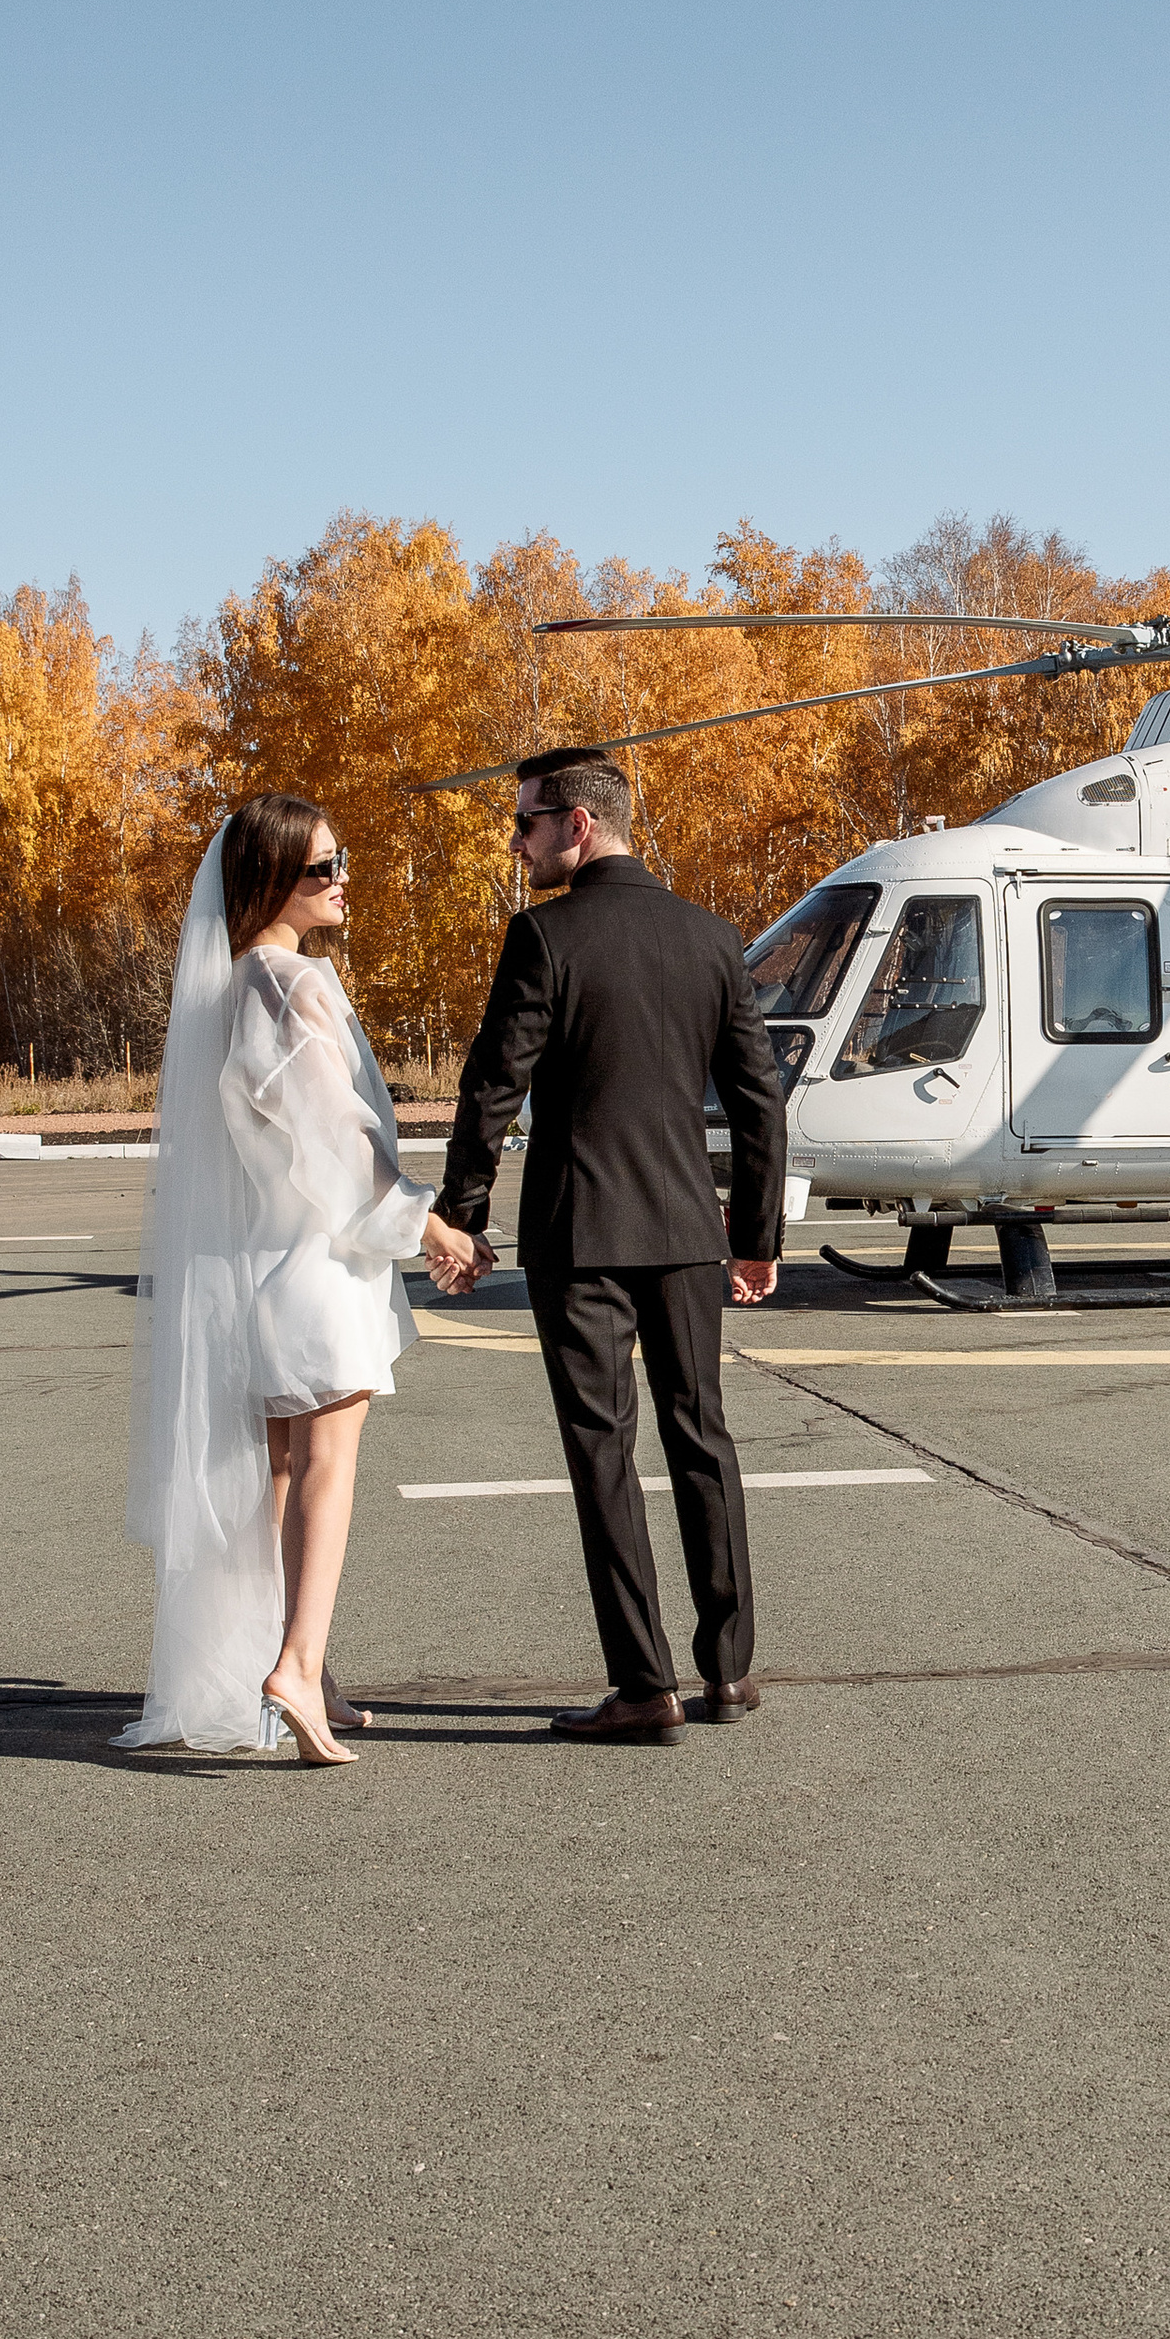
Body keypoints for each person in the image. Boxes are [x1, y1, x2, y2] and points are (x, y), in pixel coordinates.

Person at [427, 747, 790, 1744]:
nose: (517, 843)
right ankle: (727, 1670)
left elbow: (493, 1086)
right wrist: (754, 1234)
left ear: (576, 824)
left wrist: (463, 1211)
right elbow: (759, 1099)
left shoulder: (543, 938)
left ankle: (644, 1685)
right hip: (683, 1230)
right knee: (701, 1436)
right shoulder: (713, 940)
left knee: (604, 1453)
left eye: (526, 824)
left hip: (578, 1232)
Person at [121, 795, 480, 1766]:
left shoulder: (231, 988)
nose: (341, 881)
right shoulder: (289, 986)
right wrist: (432, 1224)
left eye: (340, 861)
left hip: (262, 1270)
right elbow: (336, 1141)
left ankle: (298, 1667)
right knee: (327, 1467)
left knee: (283, 1471)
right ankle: (294, 1662)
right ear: (270, 883)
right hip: (317, 1267)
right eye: (322, 869)